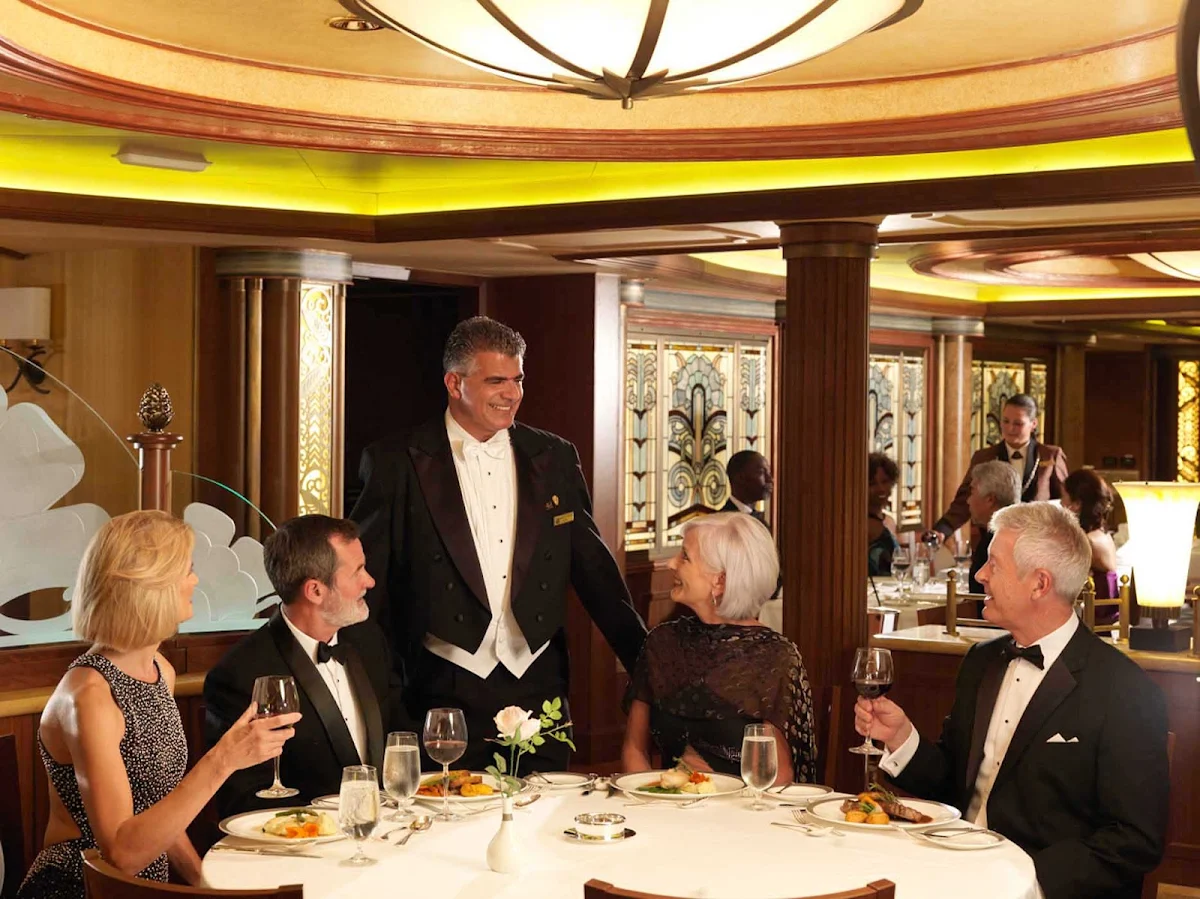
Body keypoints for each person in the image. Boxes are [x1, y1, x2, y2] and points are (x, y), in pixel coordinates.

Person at [352, 316, 647, 770]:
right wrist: (376, 690)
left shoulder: (554, 456)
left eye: (518, 379)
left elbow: (595, 571)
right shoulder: (395, 461)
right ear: (454, 383)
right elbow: (365, 582)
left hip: (538, 681)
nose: (512, 394)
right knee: (448, 808)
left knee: (545, 809)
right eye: (496, 381)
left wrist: (649, 667)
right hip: (443, 684)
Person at [855, 502, 1169, 899]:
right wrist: (902, 737)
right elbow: (950, 782)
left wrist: (1026, 882)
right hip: (951, 871)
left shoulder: (1123, 689)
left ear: (1039, 584)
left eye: (994, 564)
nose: (980, 575)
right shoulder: (981, 662)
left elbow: (1134, 839)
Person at [18, 512, 298, 899]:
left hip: (144, 888)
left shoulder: (159, 670)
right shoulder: (89, 695)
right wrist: (223, 760)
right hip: (81, 888)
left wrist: (205, 883)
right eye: (187, 570)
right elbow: (121, 855)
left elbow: (158, 810)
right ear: (150, 587)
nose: (195, 581)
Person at [205, 515, 405, 817]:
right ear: (315, 591)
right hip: (307, 840)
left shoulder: (368, 640)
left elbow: (400, 736)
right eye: (358, 571)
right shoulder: (239, 675)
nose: (370, 581)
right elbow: (245, 801)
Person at [621, 513, 817, 784]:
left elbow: (778, 777)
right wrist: (648, 796)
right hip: (665, 806)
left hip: (745, 808)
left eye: (685, 557)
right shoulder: (662, 643)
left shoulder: (775, 657)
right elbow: (634, 749)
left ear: (720, 581)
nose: (671, 563)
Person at [926, 394, 1067, 543]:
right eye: (1005, 421)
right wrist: (943, 529)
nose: (1010, 428)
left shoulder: (1050, 455)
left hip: (1036, 542)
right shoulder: (984, 457)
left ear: (1033, 424)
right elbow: (964, 500)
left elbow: (1065, 502)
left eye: (1018, 423)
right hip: (992, 541)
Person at [963, 460, 1021, 593]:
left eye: (972, 492)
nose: (968, 500)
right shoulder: (1007, 531)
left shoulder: (999, 542)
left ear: (990, 499)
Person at [1062, 468, 1119, 600]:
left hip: (1096, 609)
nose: (1061, 503)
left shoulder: (1088, 541)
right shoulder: (1101, 534)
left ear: (1077, 504)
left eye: (1063, 497)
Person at [868, 452, 900, 576]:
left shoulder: (889, 521)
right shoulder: (860, 523)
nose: (881, 489)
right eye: (873, 483)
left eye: (885, 481)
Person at [721, 450, 773, 524]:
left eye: (769, 473)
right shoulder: (721, 522)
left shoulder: (762, 522)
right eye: (761, 472)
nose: (770, 480)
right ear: (740, 477)